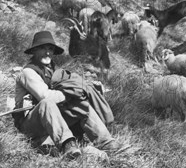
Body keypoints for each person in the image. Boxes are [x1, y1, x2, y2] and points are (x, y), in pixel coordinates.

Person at [14, 30, 129, 159]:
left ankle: (107, 143)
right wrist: (70, 94)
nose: (47, 52)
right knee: (47, 103)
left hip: (50, 121)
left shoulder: (53, 71)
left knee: (81, 104)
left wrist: (80, 92)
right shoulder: (28, 72)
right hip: (29, 125)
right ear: (34, 51)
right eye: (42, 48)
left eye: (50, 49)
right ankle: (67, 145)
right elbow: (45, 96)